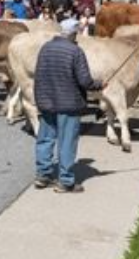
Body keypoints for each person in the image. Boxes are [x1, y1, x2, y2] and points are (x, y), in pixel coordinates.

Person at [33, 18, 104, 193]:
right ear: (72, 34)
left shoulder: (45, 48)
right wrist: (100, 84)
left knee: (45, 139)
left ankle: (43, 175)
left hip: (46, 102)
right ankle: (65, 181)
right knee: (67, 142)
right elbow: (85, 81)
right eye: (76, 33)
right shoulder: (75, 51)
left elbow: (39, 75)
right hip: (68, 104)